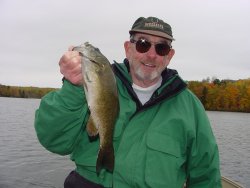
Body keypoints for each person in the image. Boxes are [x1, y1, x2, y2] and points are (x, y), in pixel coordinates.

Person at [34, 16, 222, 188]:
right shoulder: (93, 82)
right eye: (142, 44)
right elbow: (54, 140)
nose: (151, 54)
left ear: (169, 55)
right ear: (127, 48)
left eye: (161, 47)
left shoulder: (190, 107)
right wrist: (73, 88)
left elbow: (206, 176)